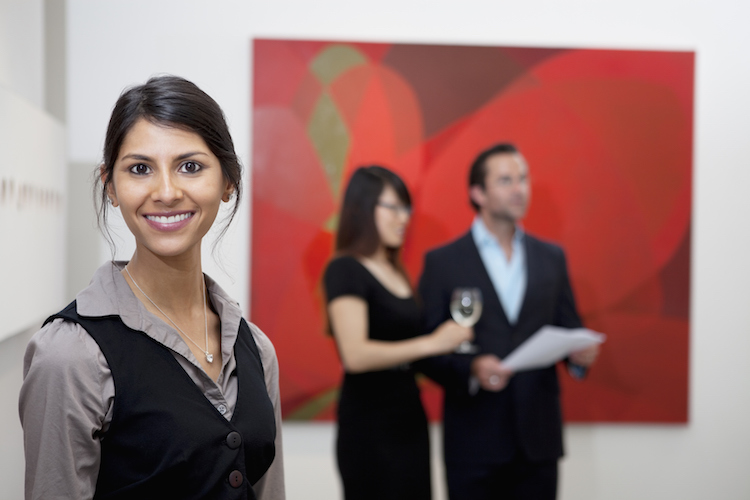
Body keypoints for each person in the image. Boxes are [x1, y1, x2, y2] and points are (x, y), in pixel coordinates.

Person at [19, 75, 284, 500]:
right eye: (140, 169)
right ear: (111, 186)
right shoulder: (70, 356)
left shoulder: (257, 349)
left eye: (191, 166)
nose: (166, 192)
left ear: (228, 181)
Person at [417, 143, 599, 500]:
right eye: (505, 180)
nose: (519, 189)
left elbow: (569, 327)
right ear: (478, 193)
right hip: (474, 441)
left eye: (523, 179)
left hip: (538, 441)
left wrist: (579, 357)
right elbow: (425, 349)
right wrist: (471, 368)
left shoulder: (552, 258)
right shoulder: (443, 262)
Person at [323, 166, 473, 500]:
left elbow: (413, 350)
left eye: (407, 209)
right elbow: (356, 355)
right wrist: (433, 343)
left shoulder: (396, 271)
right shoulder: (345, 269)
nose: (404, 218)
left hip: (408, 417)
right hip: (369, 425)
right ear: (362, 209)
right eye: (394, 208)